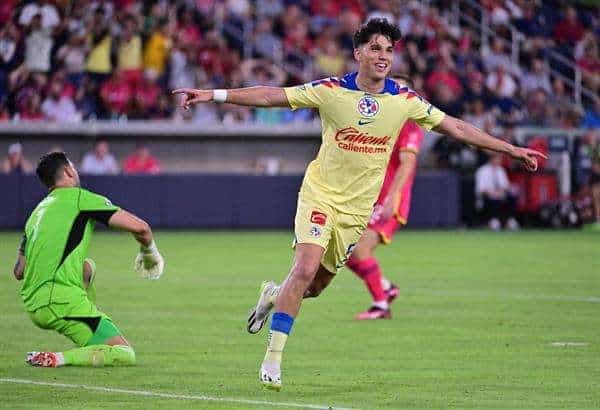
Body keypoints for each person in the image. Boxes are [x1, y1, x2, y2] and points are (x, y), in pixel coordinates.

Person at [173, 18, 545, 391]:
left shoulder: (405, 101)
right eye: (375, 48)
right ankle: (273, 358)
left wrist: (510, 149)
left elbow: (459, 128)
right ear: (358, 53)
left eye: (388, 50)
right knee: (304, 268)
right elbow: (274, 95)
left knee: (314, 287)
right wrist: (213, 94)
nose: (383, 56)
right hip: (320, 195)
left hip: (357, 210)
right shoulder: (330, 90)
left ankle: (273, 294)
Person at [13, 151, 164, 368]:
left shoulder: (36, 214)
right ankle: (57, 358)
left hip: (34, 305)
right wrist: (150, 253)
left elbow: (19, 271)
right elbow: (141, 228)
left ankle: (90, 313)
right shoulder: (81, 199)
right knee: (123, 353)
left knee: (87, 267)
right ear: (67, 171)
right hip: (60, 302)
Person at [345, 75, 423, 320]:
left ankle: (380, 304)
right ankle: (386, 288)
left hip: (390, 199)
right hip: (367, 197)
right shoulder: (378, 121)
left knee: (358, 247)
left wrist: (391, 198)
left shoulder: (411, 125)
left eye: (401, 89)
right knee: (342, 250)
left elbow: (407, 163)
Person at [475, 152, 520, 230]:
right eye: (497, 159)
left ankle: (510, 220)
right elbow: (481, 190)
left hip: (500, 195)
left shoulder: (501, 170)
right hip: (487, 197)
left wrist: (502, 192)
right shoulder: (482, 171)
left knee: (512, 197)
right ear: (492, 159)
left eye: (500, 160)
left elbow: (505, 186)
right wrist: (493, 193)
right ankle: (493, 221)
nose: (499, 161)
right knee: (493, 199)